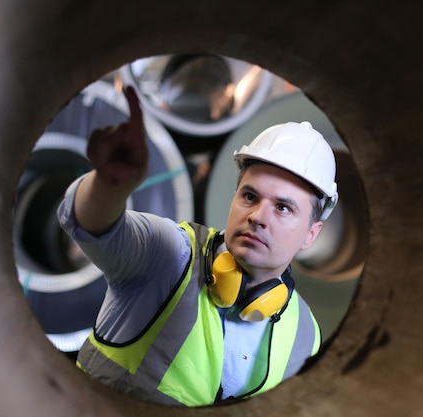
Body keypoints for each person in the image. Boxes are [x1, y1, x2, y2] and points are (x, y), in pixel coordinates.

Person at [57, 86, 339, 406]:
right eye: (250, 196)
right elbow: (92, 226)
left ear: (310, 234)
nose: (258, 217)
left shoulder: (306, 336)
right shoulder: (169, 257)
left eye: (283, 208)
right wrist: (106, 186)